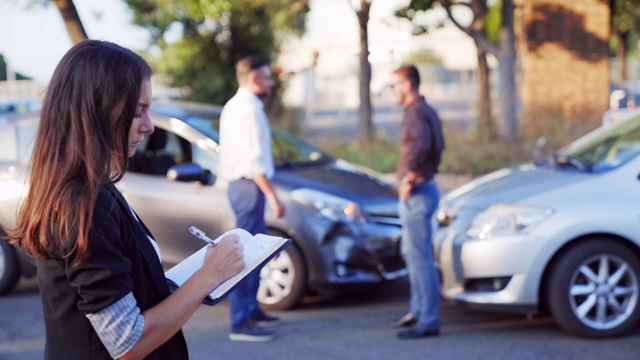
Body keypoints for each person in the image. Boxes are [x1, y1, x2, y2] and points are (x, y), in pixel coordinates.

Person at [8, 40, 245, 359]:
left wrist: (192, 277)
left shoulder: (90, 189)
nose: (148, 127)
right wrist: (209, 276)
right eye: (137, 113)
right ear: (94, 112)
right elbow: (127, 342)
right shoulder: (85, 204)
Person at [218, 55, 286, 342]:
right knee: (246, 255)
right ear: (255, 79)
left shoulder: (236, 106)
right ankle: (240, 321)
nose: (271, 82)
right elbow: (254, 160)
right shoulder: (249, 109)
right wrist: (273, 197)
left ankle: (251, 310)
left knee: (255, 252)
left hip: (241, 186)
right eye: (267, 77)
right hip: (249, 186)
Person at [388, 64, 445, 339]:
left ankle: (428, 319)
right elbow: (439, 146)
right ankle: (417, 312)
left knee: (420, 259)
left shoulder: (416, 113)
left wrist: (409, 178)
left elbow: (422, 147)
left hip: (418, 193)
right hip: (423, 191)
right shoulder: (424, 110)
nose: (393, 91)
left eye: (394, 85)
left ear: (407, 85)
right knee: (412, 255)